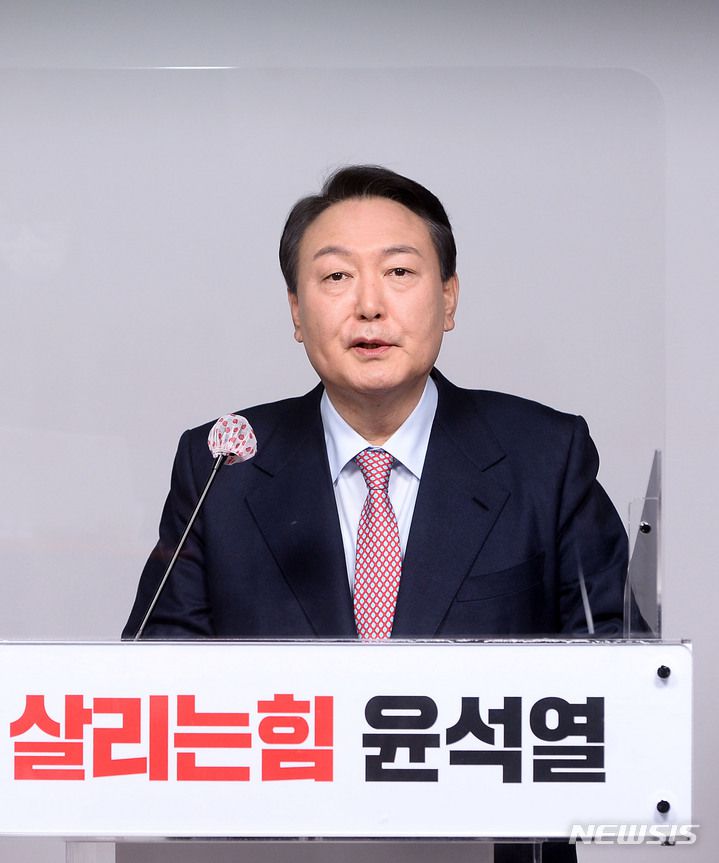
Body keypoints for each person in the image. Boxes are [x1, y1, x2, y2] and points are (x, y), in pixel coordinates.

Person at [123, 165, 627, 862]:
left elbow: (622, 682)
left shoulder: (544, 456)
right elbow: (151, 693)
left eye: (399, 272)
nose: (368, 305)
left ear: (448, 299)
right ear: (296, 312)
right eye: (335, 277)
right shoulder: (222, 466)